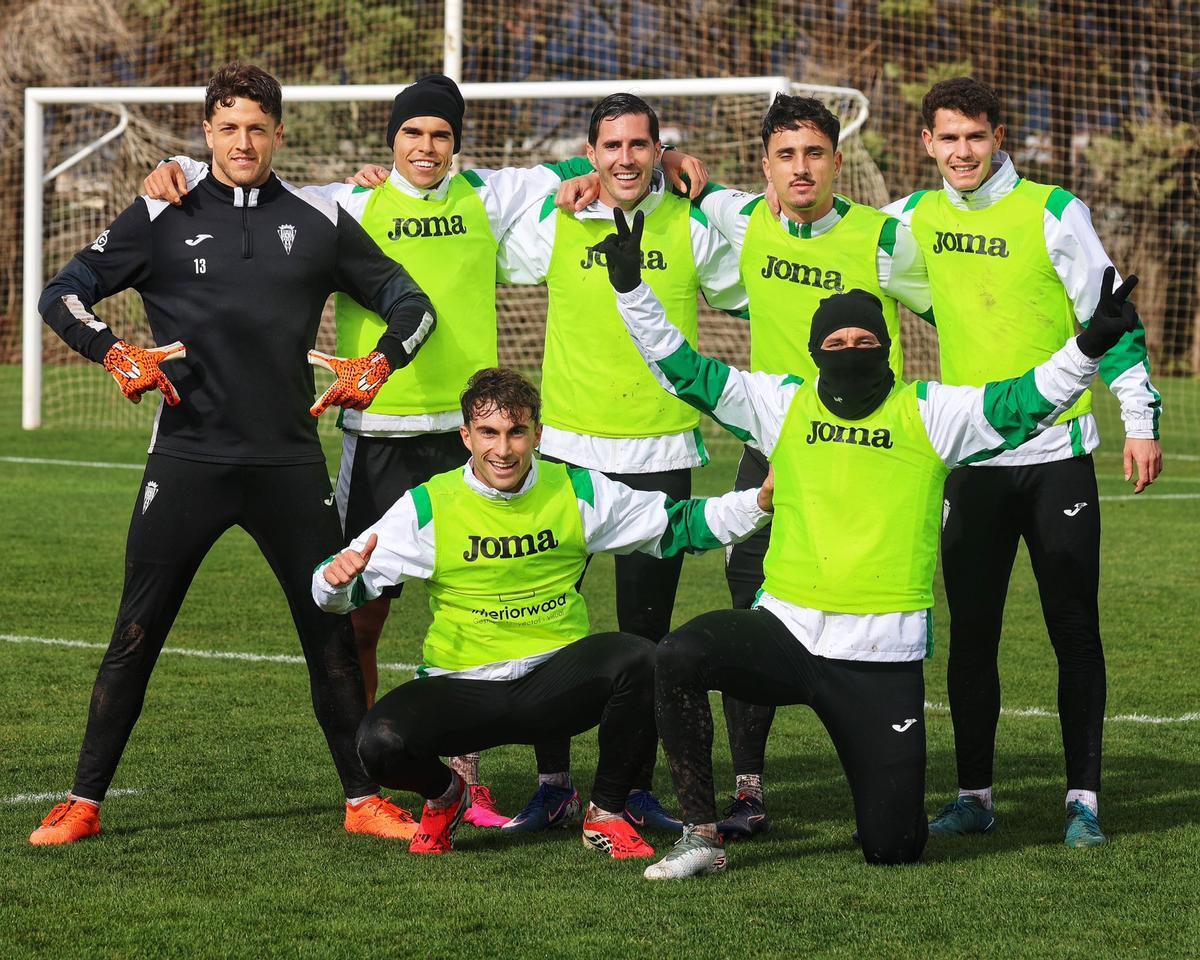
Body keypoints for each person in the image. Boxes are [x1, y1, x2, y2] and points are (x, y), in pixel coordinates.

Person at [145, 78, 706, 830]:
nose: (426, 147)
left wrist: (679, 164)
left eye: (440, 135)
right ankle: (372, 780)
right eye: (412, 134)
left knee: (492, 593)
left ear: (456, 142)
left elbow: (605, 166)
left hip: (465, 438)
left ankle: (474, 777)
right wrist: (173, 164)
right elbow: (247, 170)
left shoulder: (490, 192)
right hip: (376, 439)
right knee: (364, 619)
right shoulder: (348, 200)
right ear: (391, 141)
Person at [591, 208, 1139, 879]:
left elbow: (1023, 402)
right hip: (787, 631)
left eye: (864, 338)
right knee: (676, 656)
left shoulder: (931, 412)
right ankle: (702, 835)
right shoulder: (781, 403)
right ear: (816, 350)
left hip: (878, 657)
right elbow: (684, 369)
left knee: (894, 847)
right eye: (836, 340)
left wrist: (1088, 348)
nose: (850, 349)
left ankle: (890, 805)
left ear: (885, 344)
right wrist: (630, 290)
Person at [29, 63, 436, 846]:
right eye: (227, 128)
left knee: (331, 634)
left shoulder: (318, 220)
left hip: (289, 464)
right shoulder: (161, 210)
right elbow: (62, 293)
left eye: (257, 127)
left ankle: (362, 801)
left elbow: (410, 302)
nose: (243, 141)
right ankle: (83, 801)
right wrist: (115, 353)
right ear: (206, 133)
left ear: (279, 133)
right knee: (136, 631)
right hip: (188, 459)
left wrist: (377, 365)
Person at [310, 367, 773, 858]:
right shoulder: (427, 505)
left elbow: (677, 524)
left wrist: (756, 503)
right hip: (464, 689)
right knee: (377, 745)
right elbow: (337, 586)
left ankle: (606, 812)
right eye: (488, 432)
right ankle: (448, 795)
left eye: (516, 432)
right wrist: (334, 582)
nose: (503, 450)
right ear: (466, 436)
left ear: (538, 434)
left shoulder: (574, 490)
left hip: (556, 686)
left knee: (644, 657)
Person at [886, 77, 1163, 847]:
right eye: (948, 137)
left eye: (976, 135)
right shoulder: (909, 219)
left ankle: (1083, 802)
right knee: (971, 633)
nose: (962, 151)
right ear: (926, 143)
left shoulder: (1052, 210)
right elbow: (818, 227)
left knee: (1073, 629)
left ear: (998, 134)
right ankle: (975, 795)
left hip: (1058, 458)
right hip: (971, 458)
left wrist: (1138, 422)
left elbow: (1112, 318)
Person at [659, 93, 934, 839]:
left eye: (815, 153)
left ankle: (914, 762)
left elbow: (954, 309)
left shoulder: (883, 238)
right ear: (765, 166)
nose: (801, 167)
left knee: (871, 608)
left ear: (838, 161)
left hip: (867, 457)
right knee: (753, 611)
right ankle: (748, 792)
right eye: (786, 155)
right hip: (773, 448)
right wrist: (656, 164)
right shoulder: (741, 218)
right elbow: (658, 168)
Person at [496, 92, 745, 833]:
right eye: (611, 147)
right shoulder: (558, 217)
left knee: (646, 641)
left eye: (641, 146)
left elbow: (754, 288)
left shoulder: (691, 224)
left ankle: (631, 789)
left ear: (659, 151)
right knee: (544, 625)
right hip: (567, 455)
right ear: (592, 153)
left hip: (661, 451)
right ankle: (552, 784)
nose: (625, 159)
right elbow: (480, 240)